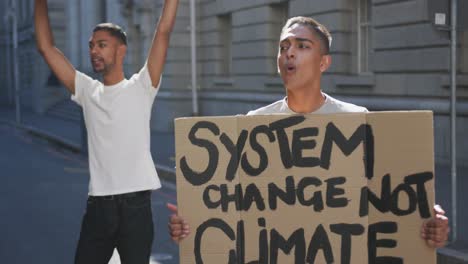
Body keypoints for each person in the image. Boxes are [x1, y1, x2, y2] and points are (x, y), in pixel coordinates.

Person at [167, 16, 450, 248]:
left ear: (324, 62)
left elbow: (387, 202)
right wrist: (191, 225)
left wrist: (423, 224)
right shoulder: (254, 125)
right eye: (283, 47)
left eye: (302, 46)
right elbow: (233, 209)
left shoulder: (357, 120)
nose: (289, 53)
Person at [34, 0, 179, 263]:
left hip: (136, 210)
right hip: (99, 208)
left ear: (121, 50)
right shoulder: (88, 91)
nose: (93, 51)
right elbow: (46, 48)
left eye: (101, 45)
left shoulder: (142, 85)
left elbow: (164, 30)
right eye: (91, 46)